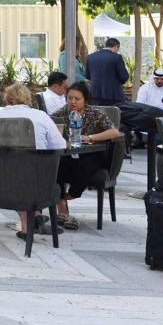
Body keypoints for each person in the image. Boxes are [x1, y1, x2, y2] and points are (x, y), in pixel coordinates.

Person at [0, 83, 67, 239]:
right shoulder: (41, 116)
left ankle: (30, 224)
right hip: (38, 178)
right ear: (28, 100)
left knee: (15, 175)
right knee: (24, 177)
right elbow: (60, 145)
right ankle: (34, 219)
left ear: (7, 100)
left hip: (1, 179)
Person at [49, 81, 119, 231]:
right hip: (70, 153)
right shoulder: (65, 111)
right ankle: (62, 209)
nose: (72, 102)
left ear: (85, 100)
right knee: (57, 163)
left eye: (77, 99)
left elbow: (114, 132)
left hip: (92, 155)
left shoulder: (96, 113)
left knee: (84, 166)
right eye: (69, 98)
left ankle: (66, 197)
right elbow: (49, 122)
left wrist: (90, 137)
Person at [85, 38, 128, 106]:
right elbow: (124, 77)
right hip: (113, 96)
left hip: (94, 95)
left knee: (96, 112)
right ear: (116, 47)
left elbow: (88, 76)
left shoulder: (90, 57)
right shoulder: (117, 57)